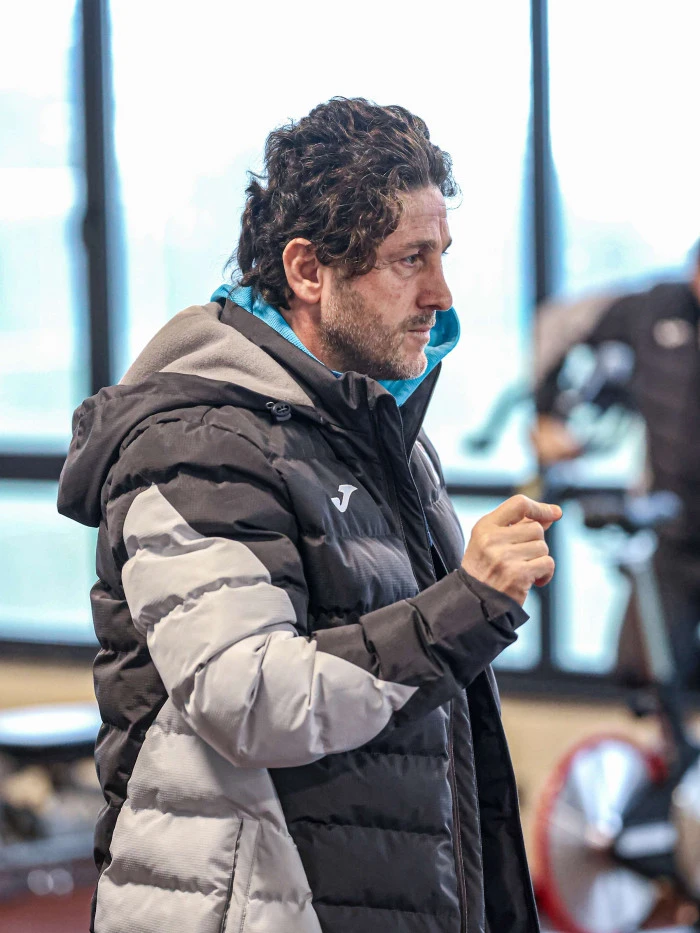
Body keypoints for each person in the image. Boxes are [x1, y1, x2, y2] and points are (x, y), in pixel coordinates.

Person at [58, 97, 560, 933]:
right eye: (410, 259)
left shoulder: (382, 439)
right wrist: (467, 604)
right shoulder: (198, 442)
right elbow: (249, 695)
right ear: (307, 270)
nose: (441, 294)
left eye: (442, 255)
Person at [532, 244, 700, 687]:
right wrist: (547, 416)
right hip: (673, 530)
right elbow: (557, 324)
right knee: (643, 673)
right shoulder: (654, 307)